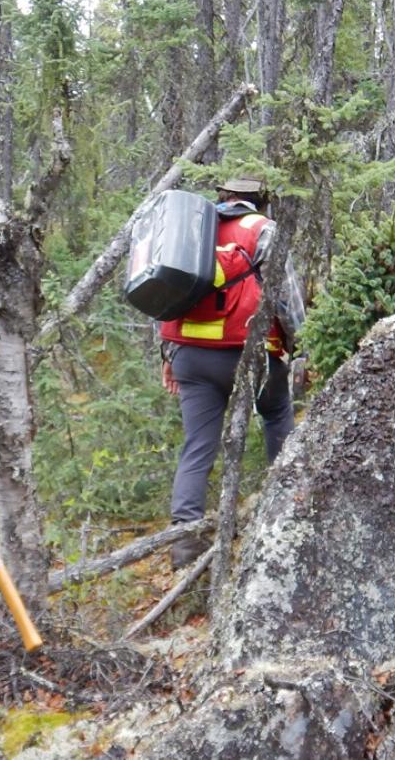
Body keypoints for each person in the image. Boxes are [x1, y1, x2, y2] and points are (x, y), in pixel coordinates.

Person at [159, 178, 300, 568]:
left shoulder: (193, 227)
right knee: (276, 416)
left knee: (197, 446)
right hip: (249, 353)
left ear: (225, 198)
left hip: (191, 355)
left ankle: (185, 546)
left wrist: (169, 353)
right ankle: (285, 514)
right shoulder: (262, 230)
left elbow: (169, 290)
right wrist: (300, 346)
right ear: (261, 203)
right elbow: (286, 296)